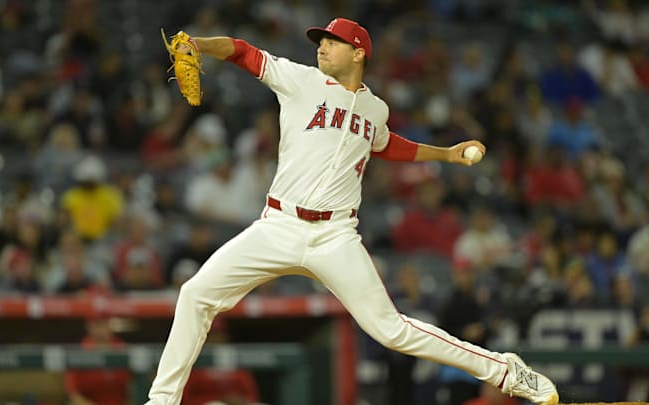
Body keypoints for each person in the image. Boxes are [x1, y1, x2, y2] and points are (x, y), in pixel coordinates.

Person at [146, 18, 558, 405]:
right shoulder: (300, 80)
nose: (322, 47)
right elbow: (241, 50)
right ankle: (162, 400)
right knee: (196, 294)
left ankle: (505, 371)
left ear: (358, 53)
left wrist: (445, 156)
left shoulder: (375, 108)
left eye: (331, 42)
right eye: (320, 42)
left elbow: (385, 143)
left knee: (391, 330)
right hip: (279, 225)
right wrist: (198, 44)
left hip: (336, 237)